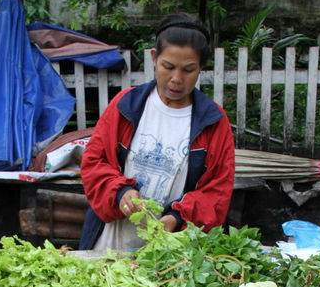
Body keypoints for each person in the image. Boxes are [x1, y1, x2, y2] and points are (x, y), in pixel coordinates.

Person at [78, 13, 236, 251]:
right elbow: (94, 162)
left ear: (201, 68)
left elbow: (218, 191)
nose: (176, 79)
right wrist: (121, 192)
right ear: (154, 57)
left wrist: (177, 217)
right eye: (168, 66)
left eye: (188, 70)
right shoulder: (126, 106)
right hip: (112, 243)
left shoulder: (213, 121)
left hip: (175, 251)